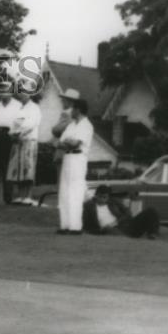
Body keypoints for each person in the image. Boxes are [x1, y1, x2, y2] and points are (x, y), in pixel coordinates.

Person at [56, 97, 93, 234]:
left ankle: (75, 227)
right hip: (67, 157)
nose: (71, 111)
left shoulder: (87, 125)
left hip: (78, 158)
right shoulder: (71, 125)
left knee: (75, 192)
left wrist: (67, 142)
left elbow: (75, 143)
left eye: (73, 109)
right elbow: (61, 143)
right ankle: (64, 225)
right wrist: (67, 142)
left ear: (78, 110)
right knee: (64, 191)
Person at [6, 84, 41, 205]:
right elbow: (12, 125)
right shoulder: (18, 109)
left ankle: (28, 196)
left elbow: (31, 124)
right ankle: (20, 196)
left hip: (29, 141)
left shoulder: (35, 108)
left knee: (28, 168)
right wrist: (12, 134)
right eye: (20, 92)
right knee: (18, 170)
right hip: (17, 142)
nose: (21, 95)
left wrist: (19, 132)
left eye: (24, 92)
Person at [82, 185, 161, 238]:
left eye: (105, 197)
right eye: (100, 196)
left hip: (125, 225)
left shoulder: (114, 202)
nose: (102, 199)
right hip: (109, 229)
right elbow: (87, 225)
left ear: (108, 197)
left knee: (151, 211)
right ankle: (126, 240)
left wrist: (118, 221)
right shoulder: (89, 206)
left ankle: (152, 234)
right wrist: (101, 230)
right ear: (96, 195)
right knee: (111, 230)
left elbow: (128, 213)